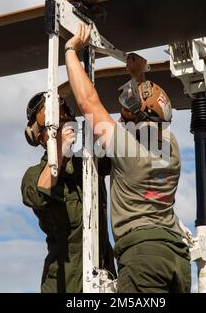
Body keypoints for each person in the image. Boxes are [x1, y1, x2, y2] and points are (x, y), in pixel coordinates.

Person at [64, 24, 191, 293]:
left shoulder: (128, 149)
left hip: (143, 257)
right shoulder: (172, 145)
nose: (124, 113)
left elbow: (89, 103)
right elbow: (149, 115)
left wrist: (70, 51)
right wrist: (139, 75)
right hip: (176, 256)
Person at [21, 92, 116, 293]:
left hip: (103, 282)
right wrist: (59, 148)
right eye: (55, 127)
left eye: (65, 122)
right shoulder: (34, 175)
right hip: (64, 284)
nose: (63, 128)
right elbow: (38, 193)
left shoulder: (89, 162)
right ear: (40, 136)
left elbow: (119, 150)